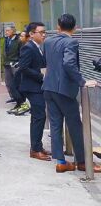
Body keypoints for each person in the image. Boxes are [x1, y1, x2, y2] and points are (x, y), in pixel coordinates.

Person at [42, 14, 101, 173]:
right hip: (64, 91)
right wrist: (82, 81)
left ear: (58, 26)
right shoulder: (72, 42)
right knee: (75, 125)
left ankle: (61, 161)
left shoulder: (47, 41)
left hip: (48, 87)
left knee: (55, 125)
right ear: (75, 28)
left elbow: (47, 62)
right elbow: (68, 63)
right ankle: (83, 162)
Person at [16, 22, 52, 161]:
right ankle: (35, 149)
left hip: (37, 87)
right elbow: (23, 67)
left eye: (45, 32)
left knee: (39, 117)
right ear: (31, 34)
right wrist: (41, 75)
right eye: (41, 32)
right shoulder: (28, 47)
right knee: (39, 116)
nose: (44, 35)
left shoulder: (38, 47)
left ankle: (38, 145)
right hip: (32, 87)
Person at [3, 27, 21, 106]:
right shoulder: (6, 40)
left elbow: (21, 52)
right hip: (7, 63)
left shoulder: (18, 40)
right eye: (5, 31)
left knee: (16, 82)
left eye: (8, 30)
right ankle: (13, 96)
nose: (6, 32)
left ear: (13, 31)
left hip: (15, 63)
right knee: (8, 82)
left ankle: (20, 99)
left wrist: (18, 62)